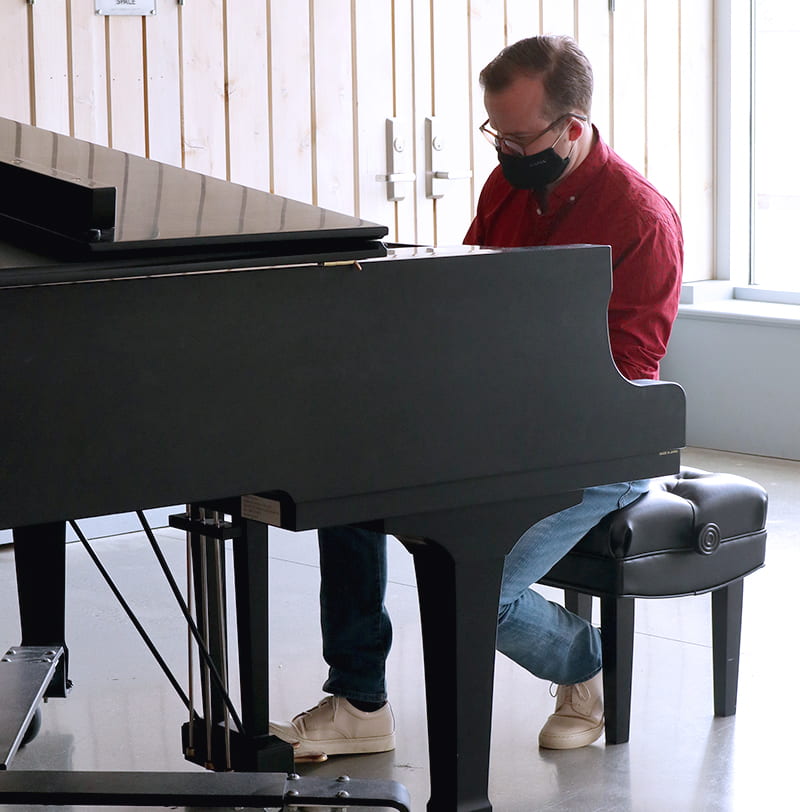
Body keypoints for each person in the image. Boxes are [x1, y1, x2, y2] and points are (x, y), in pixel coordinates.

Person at [270, 34, 683, 756]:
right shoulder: (507, 186)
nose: (505, 153)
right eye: (496, 134)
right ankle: (360, 701)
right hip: (500, 420)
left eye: (520, 140)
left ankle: (590, 666)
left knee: (476, 589)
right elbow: (469, 295)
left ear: (573, 128)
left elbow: (627, 370)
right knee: (347, 489)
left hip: (601, 442)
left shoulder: (641, 219)